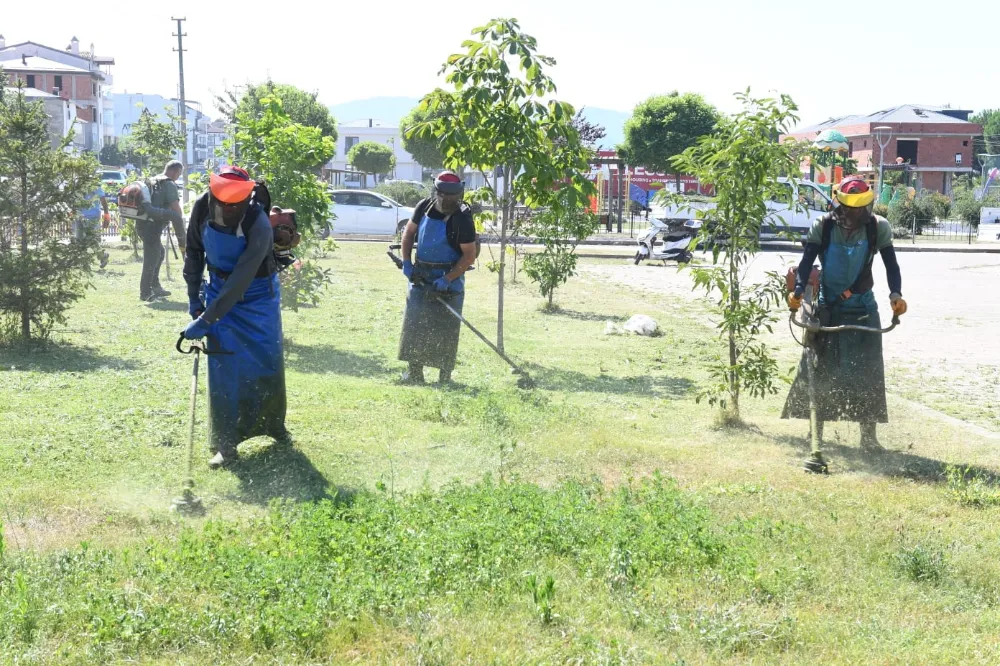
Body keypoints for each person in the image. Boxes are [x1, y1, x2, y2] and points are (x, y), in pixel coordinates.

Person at [783, 176, 907, 451]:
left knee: (868, 370)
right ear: (840, 204)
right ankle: (816, 433)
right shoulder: (823, 226)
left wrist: (895, 295)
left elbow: (891, 265)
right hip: (829, 308)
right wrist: (799, 289)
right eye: (851, 209)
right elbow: (806, 262)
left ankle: (868, 438)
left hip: (863, 308)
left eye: (861, 208)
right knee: (820, 367)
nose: (856, 215)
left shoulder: (878, 227)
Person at [181, 166, 288, 469]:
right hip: (217, 291)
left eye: (236, 204)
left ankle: (273, 426)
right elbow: (194, 253)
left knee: (266, 360)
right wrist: (194, 298)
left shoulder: (259, 223)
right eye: (224, 202)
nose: (229, 209)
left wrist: (206, 321)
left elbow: (242, 278)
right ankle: (226, 443)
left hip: (257, 296)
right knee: (224, 366)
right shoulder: (202, 208)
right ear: (214, 194)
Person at [397, 171, 478, 384]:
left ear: (458, 195)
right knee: (415, 325)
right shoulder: (424, 206)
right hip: (421, 275)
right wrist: (406, 261)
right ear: (436, 191)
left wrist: (448, 279)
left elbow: (469, 256)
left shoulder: (462, 217)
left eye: (451, 196)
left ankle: (444, 377)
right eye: (441, 194)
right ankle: (415, 374)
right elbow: (409, 233)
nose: (445, 199)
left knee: (446, 328)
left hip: (449, 278)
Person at [137, 161, 184, 302]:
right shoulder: (169, 184)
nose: (178, 176)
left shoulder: (154, 180)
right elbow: (175, 208)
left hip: (142, 224)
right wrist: (179, 223)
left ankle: (155, 286)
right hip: (152, 226)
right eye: (179, 174)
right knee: (151, 258)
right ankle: (145, 293)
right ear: (175, 171)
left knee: (160, 253)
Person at [75, 184, 110, 268]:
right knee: (80, 240)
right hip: (79, 215)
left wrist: (106, 215)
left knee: (90, 239)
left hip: (92, 216)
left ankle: (102, 256)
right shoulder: (77, 184)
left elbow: (103, 201)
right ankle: (84, 262)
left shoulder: (95, 186)